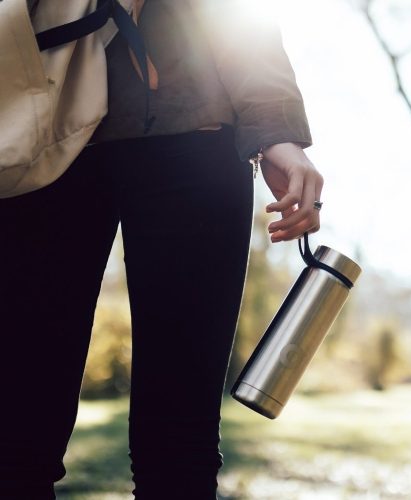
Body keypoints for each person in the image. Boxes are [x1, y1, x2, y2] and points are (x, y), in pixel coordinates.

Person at [0, 1, 323, 498]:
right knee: (15, 431)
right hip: (36, 139)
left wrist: (277, 130)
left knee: (179, 440)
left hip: (192, 131)